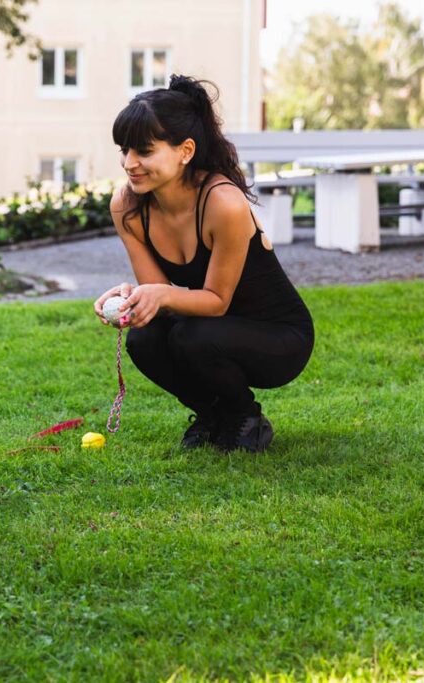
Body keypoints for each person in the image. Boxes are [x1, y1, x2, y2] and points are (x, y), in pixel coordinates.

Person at [93, 75, 314, 452]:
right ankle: (213, 417)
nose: (130, 164)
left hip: (279, 338)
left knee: (191, 336)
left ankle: (246, 418)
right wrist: (136, 297)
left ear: (186, 150)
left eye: (144, 151)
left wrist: (159, 295)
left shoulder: (222, 203)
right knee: (145, 338)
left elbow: (216, 301)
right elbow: (161, 301)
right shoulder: (127, 206)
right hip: (210, 328)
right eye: (124, 150)